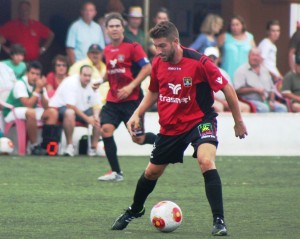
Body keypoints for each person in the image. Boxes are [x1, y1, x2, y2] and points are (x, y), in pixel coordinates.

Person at [110, 21, 248, 236]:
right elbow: (153, 91)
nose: (158, 51)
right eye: (155, 46)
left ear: (176, 42)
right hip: (171, 127)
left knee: (206, 161)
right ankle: (135, 210)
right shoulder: (157, 63)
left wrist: (238, 121)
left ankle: (219, 221)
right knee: (152, 172)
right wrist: (137, 113)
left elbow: (227, 88)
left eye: (162, 46)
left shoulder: (199, 62)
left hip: (200, 120)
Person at [97, 12, 156, 182]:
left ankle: (169, 142)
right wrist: (100, 81)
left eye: (117, 26)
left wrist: (131, 86)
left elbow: (147, 68)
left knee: (139, 139)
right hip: (113, 100)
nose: (114, 29)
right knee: (106, 130)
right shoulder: (107, 50)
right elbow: (111, 71)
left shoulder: (133, 47)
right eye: (111, 26)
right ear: (106, 30)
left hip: (133, 101)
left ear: (122, 28)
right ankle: (116, 172)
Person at [44, 65, 101, 157]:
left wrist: (96, 116)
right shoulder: (71, 82)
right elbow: (70, 106)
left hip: (83, 109)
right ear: (80, 74)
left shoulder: (93, 84)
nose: (87, 78)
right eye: (85, 75)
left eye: (89, 76)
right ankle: (69, 146)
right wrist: (87, 119)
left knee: (99, 117)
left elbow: (97, 105)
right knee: (70, 113)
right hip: (61, 108)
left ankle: (93, 148)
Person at [2, 61, 48, 155]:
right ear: (27, 73)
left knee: (52, 113)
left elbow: (46, 106)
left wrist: (42, 91)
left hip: (27, 110)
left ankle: (47, 145)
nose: (34, 77)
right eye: (32, 73)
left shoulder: (39, 85)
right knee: (31, 112)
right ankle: (34, 146)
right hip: (12, 111)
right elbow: (28, 104)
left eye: (37, 74)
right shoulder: (20, 83)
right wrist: (37, 90)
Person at [234, 47, 287, 113]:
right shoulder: (241, 70)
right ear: (248, 56)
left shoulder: (265, 71)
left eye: (257, 55)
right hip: (249, 101)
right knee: (264, 108)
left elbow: (272, 90)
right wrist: (255, 89)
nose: (255, 58)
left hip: (266, 101)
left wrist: (271, 101)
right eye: (253, 55)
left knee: (282, 108)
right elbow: (237, 90)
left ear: (261, 58)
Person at [204, 47, 251, 113]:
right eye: (209, 57)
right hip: (210, 101)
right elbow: (205, 93)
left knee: (245, 107)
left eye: (214, 58)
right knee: (219, 107)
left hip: (226, 100)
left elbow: (230, 89)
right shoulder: (202, 72)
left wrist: (229, 101)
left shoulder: (223, 73)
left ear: (218, 59)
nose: (212, 60)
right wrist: (223, 102)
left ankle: (239, 123)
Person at [218, 15, 256, 80]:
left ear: (242, 25)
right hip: (228, 71)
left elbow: (255, 54)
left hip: (245, 73)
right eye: (233, 25)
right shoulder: (224, 36)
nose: (235, 27)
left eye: (237, 25)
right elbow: (215, 50)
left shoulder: (249, 37)